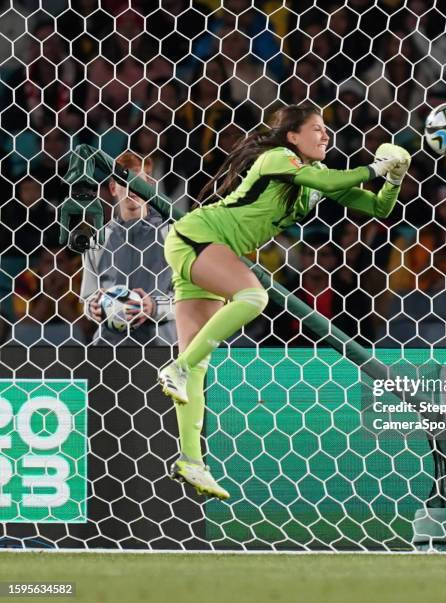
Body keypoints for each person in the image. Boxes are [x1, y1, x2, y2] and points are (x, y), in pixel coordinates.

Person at [158, 103, 410, 499]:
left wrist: (394, 177)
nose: (326, 135)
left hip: (213, 252)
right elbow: (327, 186)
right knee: (254, 297)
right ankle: (179, 368)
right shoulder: (278, 158)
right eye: (316, 128)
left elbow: (377, 207)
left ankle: (191, 460)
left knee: (199, 365)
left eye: (328, 129)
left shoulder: (319, 175)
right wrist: (377, 167)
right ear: (292, 136)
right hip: (199, 235)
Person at [81, 151, 176, 346]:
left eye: (138, 182)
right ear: (113, 188)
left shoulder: (172, 235)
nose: (132, 189)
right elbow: (87, 296)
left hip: (161, 346)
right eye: (125, 182)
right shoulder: (98, 239)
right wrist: (93, 308)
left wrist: (155, 307)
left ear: (150, 186)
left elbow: (190, 298)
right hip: (108, 348)